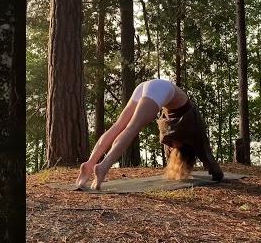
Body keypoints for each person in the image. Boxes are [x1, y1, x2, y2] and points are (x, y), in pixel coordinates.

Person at [76, 78, 224, 190]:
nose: (172, 147)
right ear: (186, 147)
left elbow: (167, 134)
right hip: (160, 89)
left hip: (149, 86)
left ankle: (89, 164)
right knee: (132, 128)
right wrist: (216, 172)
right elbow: (206, 151)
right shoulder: (193, 124)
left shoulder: (177, 124)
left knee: (118, 126)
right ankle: (103, 167)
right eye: (176, 148)